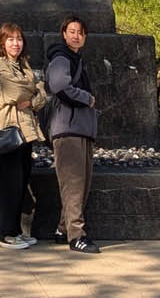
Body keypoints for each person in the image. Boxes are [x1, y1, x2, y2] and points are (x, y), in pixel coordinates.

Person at [0, 23, 49, 248]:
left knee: (22, 181)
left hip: (26, 129)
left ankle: (15, 229)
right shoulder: (2, 65)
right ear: (2, 43)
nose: (16, 43)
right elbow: (15, 93)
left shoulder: (24, 66)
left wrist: (32, 96)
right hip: (9, 128)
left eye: (19, 39)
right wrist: (35, 89)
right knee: (10, 183)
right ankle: (6, 232)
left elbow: (42, 96)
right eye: (11, 39)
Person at [44, 14, 100, 253]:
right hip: (68, 130)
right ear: (64, 35)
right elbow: (59, 86)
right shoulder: (61, 58)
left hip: (81, 129)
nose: (77, 36)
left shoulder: (76, 59)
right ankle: (76, 235)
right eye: (72, 32)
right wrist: (87, 98)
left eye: (81, 32)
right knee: (74, 184)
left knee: (81, 183)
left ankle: (63, 229)